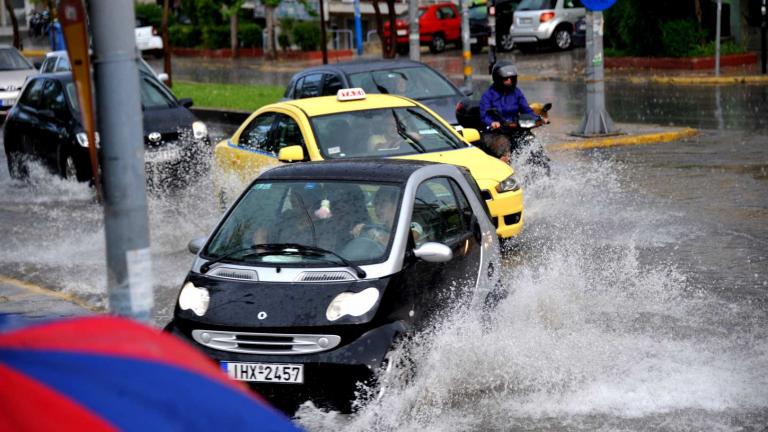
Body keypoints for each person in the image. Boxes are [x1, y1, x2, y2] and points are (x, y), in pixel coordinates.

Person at [479, 61, 534, 131]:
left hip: (515, 128)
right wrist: (492, 122)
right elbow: (484, 116)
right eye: (506, 78)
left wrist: (538, 118)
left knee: (530, 139)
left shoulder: (516, 92)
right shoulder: (487, 95)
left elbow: (527, 109)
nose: (509, 81)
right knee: (503, 142)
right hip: (496, 131)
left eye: (512, 78)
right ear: (498, 78)